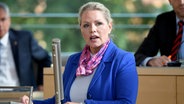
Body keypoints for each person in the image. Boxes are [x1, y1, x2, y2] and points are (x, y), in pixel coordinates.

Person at [21, 1, 138, 104]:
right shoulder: (73, 60)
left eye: (98, 23)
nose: (92, 29)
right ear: (81, 29)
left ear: (109, 26)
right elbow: (59, 101)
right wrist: (32, 103)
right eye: (86, 25)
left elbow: (126, 102)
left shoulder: (124, 59)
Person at [0, 2, 51, 91]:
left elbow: (45, 58)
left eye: (3, 19)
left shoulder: (24, 39)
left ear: (9, 20)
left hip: (21, 95)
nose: (0, 24)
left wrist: (41, 83)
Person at [134, 0, 184, 67]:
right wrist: (150, 61)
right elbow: (139, 56)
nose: (181, 2)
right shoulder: (163, 20)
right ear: (170, 1)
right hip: (169, 75)